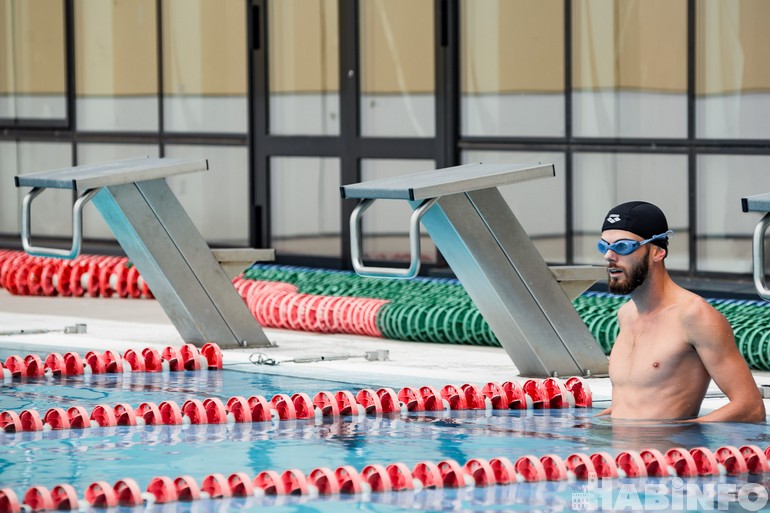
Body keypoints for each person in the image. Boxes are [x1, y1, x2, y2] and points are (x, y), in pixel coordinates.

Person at [595, 201, 765, 422]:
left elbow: (750, 408)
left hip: (667, 453)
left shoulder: (695, 316)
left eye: (622, 247)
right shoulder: (626, 315)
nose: (609, 256)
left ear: (657, 252)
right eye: (604, 246)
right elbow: (632, 404)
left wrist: (682, 436)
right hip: (621, 454)